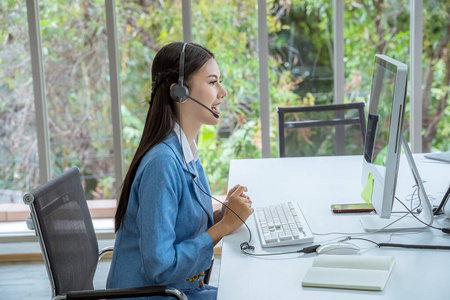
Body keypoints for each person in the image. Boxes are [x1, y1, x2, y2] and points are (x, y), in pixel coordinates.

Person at [106, 42, 254, 300]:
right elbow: (160, 269)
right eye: (212, 82)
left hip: (177, 290)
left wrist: (223, 214)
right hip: (153, 294)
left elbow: (181, 226)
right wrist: (223, 228)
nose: (223, 92)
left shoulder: (185, 150)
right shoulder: (162, 163)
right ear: (180, 93)